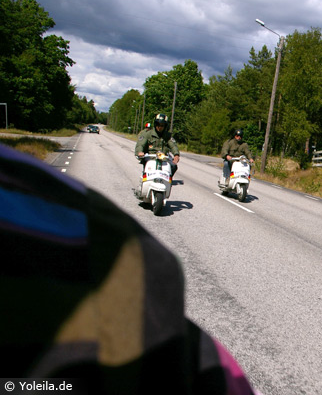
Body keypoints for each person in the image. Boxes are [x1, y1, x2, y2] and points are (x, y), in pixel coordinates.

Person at [0, 144, 259, 395]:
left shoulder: (118, 240)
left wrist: (177, 155)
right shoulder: (112, 237)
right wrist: (142, 152)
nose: (161, 127)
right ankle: (152, 181)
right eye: (160, 125)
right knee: (209, 165)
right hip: (155, 164)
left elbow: (175, 147)